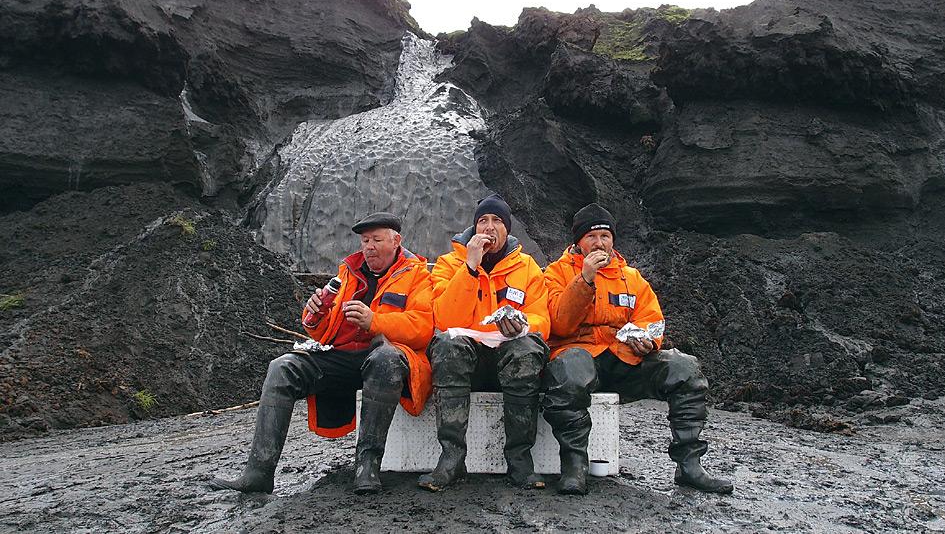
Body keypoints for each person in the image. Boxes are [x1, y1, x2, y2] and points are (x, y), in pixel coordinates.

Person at [210, 212, 434, 495]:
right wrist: (315, 315)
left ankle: (367, 466)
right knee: (283, 367)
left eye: (377, 239)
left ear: (396, 240)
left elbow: (423, 327)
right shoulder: (347, 273)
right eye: (365, 241)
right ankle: (258, 473)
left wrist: (375, 321)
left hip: (389, 359)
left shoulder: (417, 274)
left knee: (384, 359)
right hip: (344, 357)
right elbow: (324, 332)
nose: (369, 247)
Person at [542, 203, 733, 495]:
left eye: (605, 236)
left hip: (624, 358)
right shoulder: (556, 273)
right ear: (578, 241)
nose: (599, 243)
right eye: (591, 237)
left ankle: (689, 465)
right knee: (569, 367)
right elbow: (560, 325)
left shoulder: (631, 278)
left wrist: (648, 341)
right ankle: (574, 466)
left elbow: (650, 318)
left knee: (683, 367)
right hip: (580, 356)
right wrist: (585, 279)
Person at [418, 195, 550, 491]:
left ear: (508, 229)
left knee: (528, 348)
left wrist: (523, 326)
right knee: (446, 344)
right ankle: (451, 459)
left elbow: (542, 319)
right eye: (483, 221)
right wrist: (469, 268)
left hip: (511, 356)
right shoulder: (448, 264)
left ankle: (519, 461)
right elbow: (445, 318)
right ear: (474, 227)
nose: (489, 227)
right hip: (467, 360)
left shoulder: (527, 267)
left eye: (497, 221)